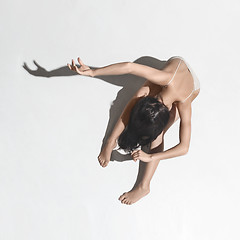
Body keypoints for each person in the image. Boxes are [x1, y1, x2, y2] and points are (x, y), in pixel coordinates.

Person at [67, 56, 200, 205]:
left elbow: (184, 147)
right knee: (138, 95)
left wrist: (150, 157)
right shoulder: (165, 78)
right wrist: (93, 72)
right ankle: (111, 141)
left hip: (193, 87)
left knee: (159, 134)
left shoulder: (184, 103)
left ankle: (144, 186)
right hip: (175, 70)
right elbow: (129, 67)